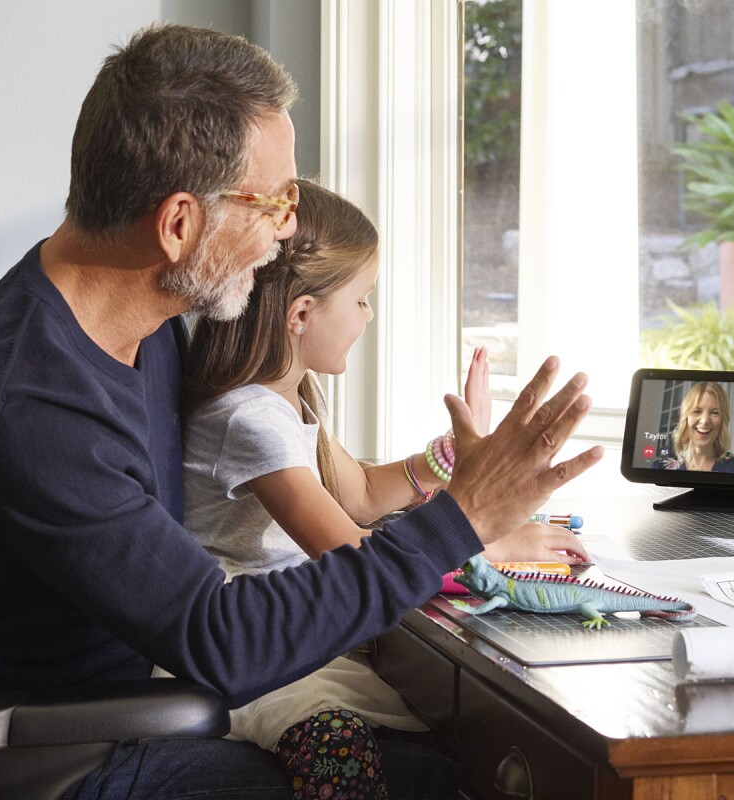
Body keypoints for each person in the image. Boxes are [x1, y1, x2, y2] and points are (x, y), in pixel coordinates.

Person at [0, 24, 603, 800]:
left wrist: (444, 481)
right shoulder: (36, 403)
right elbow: (223, 636)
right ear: (178, 226)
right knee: (447, 782)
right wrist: (465, 516)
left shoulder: (143, 315)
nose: (286, 229)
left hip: (142, 695)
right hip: (72, 753)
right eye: (274, 203)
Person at [177, 179, 591, 799]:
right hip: (257, 644)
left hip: (291, 625)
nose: (369, 316)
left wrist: (452, 459)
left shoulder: (287, 394)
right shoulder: (252, 420)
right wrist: (485, 539)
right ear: (301, 316)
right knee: (342, 747)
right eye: (363, 299)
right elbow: (348, 552)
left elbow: (361, 493)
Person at [653, 382, 734, 473]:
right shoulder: (660, 468)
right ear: (686, 418)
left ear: (723, 420)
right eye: (697, 411)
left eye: (714, 413)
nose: (705, 421)